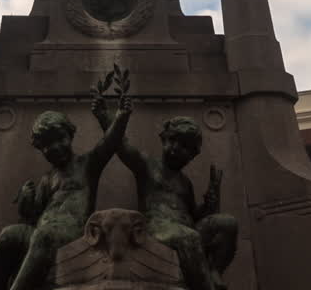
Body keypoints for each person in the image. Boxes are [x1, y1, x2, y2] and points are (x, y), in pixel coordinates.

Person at [0, 75, 133, 290]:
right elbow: (33, 215)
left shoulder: (87, 165)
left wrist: (119, 117)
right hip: (41, 234)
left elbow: (109, 143)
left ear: (70, 136)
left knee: (44, 235)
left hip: (72, 235)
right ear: (40, 148)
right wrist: (25, 202)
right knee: (9, 235)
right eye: (46, 145)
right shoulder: (47, 179)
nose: (54, 148)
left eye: (59, 139)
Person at [93, 99, 238, 290]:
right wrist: (106, 117)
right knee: (190, 237)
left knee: (228, 223)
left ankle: (214, 270)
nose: (176, 149)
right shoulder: (148, 166)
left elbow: (193, 214)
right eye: (172, 141)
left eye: (185, 147)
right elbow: (121, 145)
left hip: (186, 231)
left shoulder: (185, 182)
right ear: (163, 139)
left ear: (192, 155)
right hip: (158, 230)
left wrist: (210, 203)